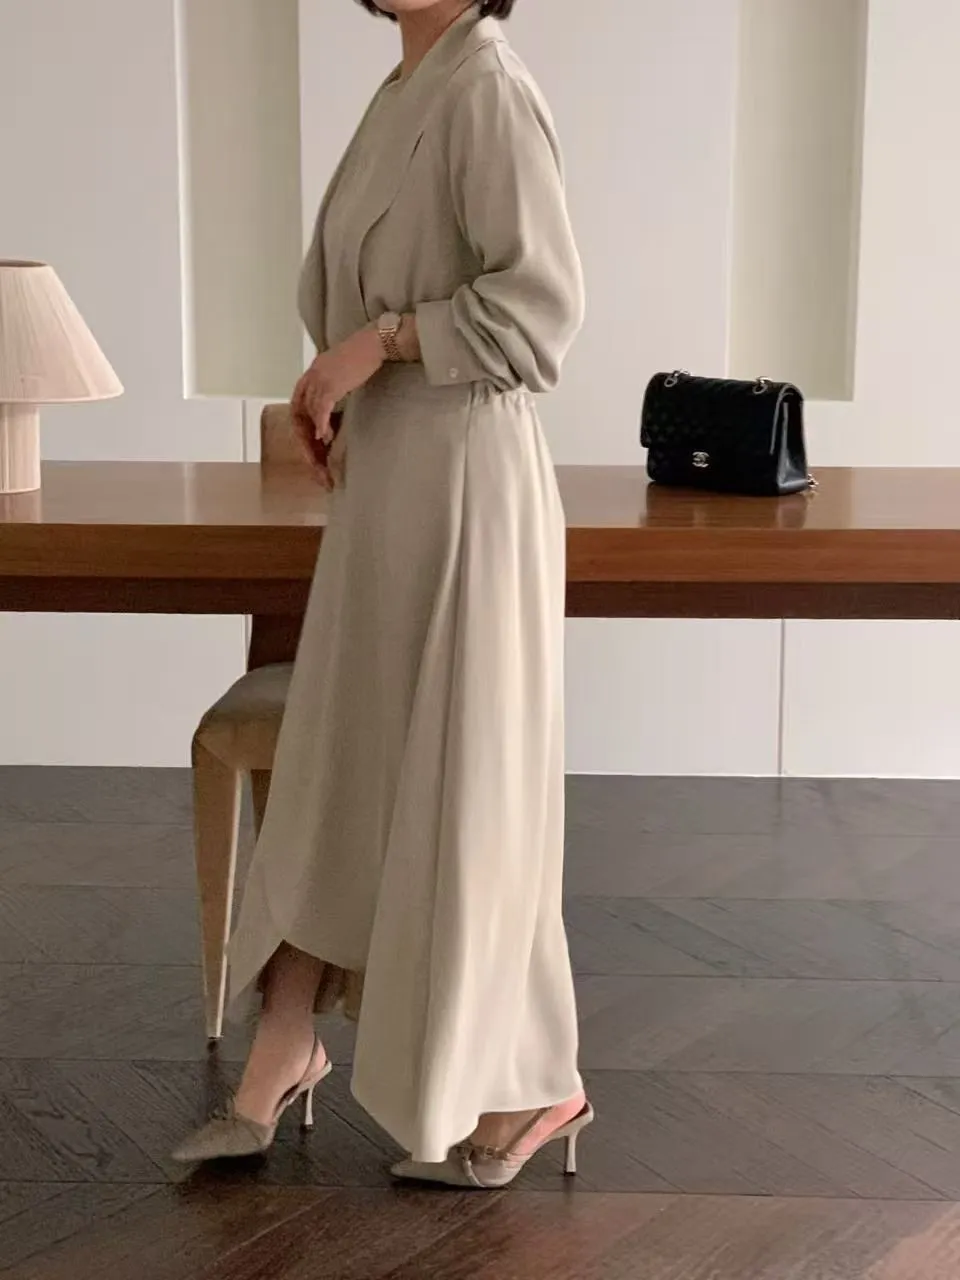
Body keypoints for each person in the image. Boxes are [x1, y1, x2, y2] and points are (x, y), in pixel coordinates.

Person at [174, 0, 590, 1188]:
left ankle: (533, 1079)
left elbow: (544, 307)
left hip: (467, 480)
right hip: (391, 475)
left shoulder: (487, 87)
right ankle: (284, 1038)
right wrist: (343, 384)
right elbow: (353, 295)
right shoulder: (410, 85)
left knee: (462, 781)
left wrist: (380, 343)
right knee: (342, 757)